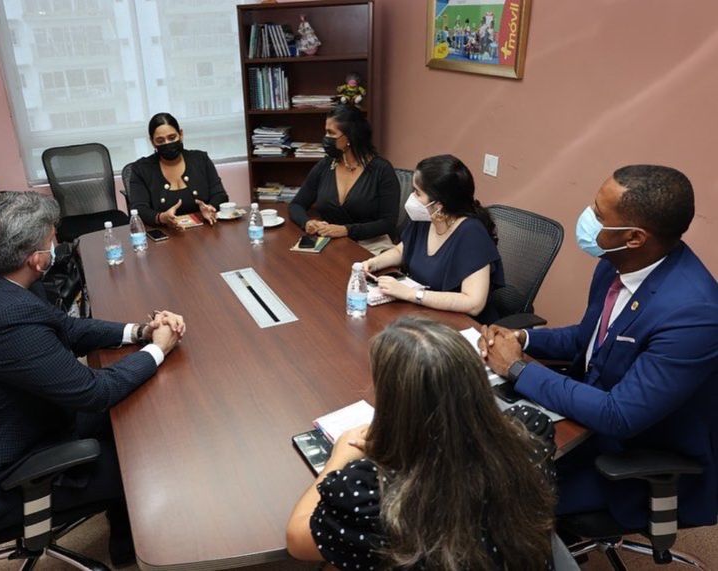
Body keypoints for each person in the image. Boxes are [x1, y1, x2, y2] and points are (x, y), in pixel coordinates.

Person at [0, 191, 186, 565]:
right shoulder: (4, 320)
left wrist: (139, 331)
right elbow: (94, 391)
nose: (56, 245)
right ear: (38, 260)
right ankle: (127, 547)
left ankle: (122, 537)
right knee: (139, 459)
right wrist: (159, 349)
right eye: (51, 239)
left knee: (135, 416)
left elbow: (66, 329)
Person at [478, 165, 718, 529]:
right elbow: (587, 338)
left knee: (492, 499)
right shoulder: (616, 263)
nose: (587, 219)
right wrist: (523, 340)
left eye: (598, 214)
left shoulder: (694, 314)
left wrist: (518, 368)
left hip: (627, 459)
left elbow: (620, 415)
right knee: (471, 450)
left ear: (635, 237)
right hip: (582, 421)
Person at [286, 316, 556, 570]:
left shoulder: (377, 497)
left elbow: (297, 539)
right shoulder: (529, 433)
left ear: (397, 409)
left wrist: (339, 457)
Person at [362, 155, 505, 323]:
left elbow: (473, 303)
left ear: (439, 204)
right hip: (423, 314)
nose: (412, 198)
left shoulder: (471, 234)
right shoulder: (426, 217)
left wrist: (410, 294)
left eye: (417, 192)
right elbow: (402, 250)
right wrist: (374, 263)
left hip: (461, 326)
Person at [289, 104, 400, 253]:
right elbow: (296, 204)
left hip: (371, 246)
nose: (326, 139)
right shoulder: (325, 165)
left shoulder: (382, 170)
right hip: (330, 245)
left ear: (350, 136)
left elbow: (388, 223)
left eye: (331, 133)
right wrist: (307, 222)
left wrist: (346, 230)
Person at [128, 112, 229, 230]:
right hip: (165, 234)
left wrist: (210, 207)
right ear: (152, 142)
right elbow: (139, 209)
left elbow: (220, 195)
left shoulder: (201, 159)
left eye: (172, 138)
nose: (167, 144)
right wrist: (161, 217)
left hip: (205, 230)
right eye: (160, 141)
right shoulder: (141, 169)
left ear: (180, 134)